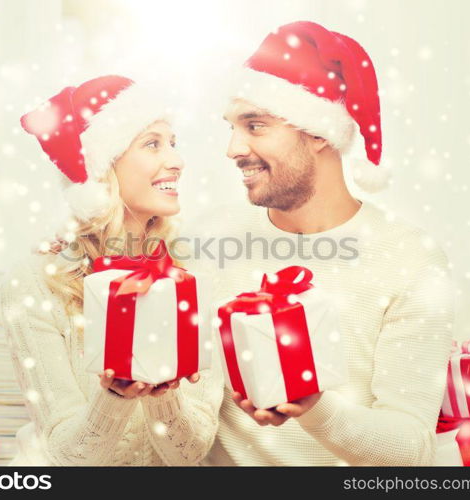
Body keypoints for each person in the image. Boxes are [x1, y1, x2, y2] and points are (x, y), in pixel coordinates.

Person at [192, 21, 455, 466]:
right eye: (233, 127)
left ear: (318, 133)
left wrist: (315, 407)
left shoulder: (410, 259)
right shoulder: (211, 238)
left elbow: (411, 448)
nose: (233, 148)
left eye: (255, 126)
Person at [0, 75, 223, 466]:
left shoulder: (194, 274)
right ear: (101, 170)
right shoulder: (36, 282)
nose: (176, 160)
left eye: (173, 143)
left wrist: (163, 392)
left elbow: (190, 452)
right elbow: (69, 456)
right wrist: (115, 398)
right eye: (152, 143)